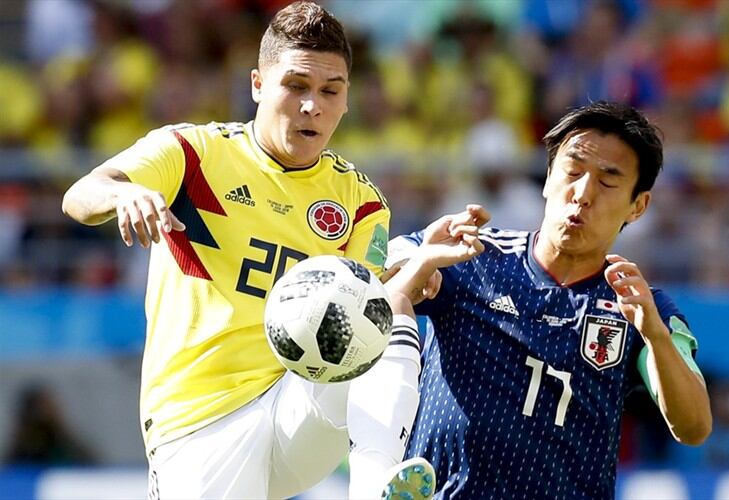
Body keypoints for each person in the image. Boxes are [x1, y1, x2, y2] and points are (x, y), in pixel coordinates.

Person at [60, 2, 473, 498]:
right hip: (199, 422)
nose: (311, 106)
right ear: (258, 84)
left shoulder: (360, 202)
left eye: (329, 92)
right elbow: (80, 195)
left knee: (387, 311)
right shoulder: (194, 154)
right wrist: (124, 193)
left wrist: (420, 262)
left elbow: (371, 303)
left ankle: (373, 485)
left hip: (297, 403)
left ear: (346, 100)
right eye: (295, 86)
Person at [387, 101, 712, 499]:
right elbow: (368, 282)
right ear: (546, 179)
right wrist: (417, 263)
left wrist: (656, 335)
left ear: (638, 205)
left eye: (608, 181)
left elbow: (694, 426)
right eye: (572, 172)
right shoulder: (470, 255)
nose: (583, 193)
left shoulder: (642, 306)